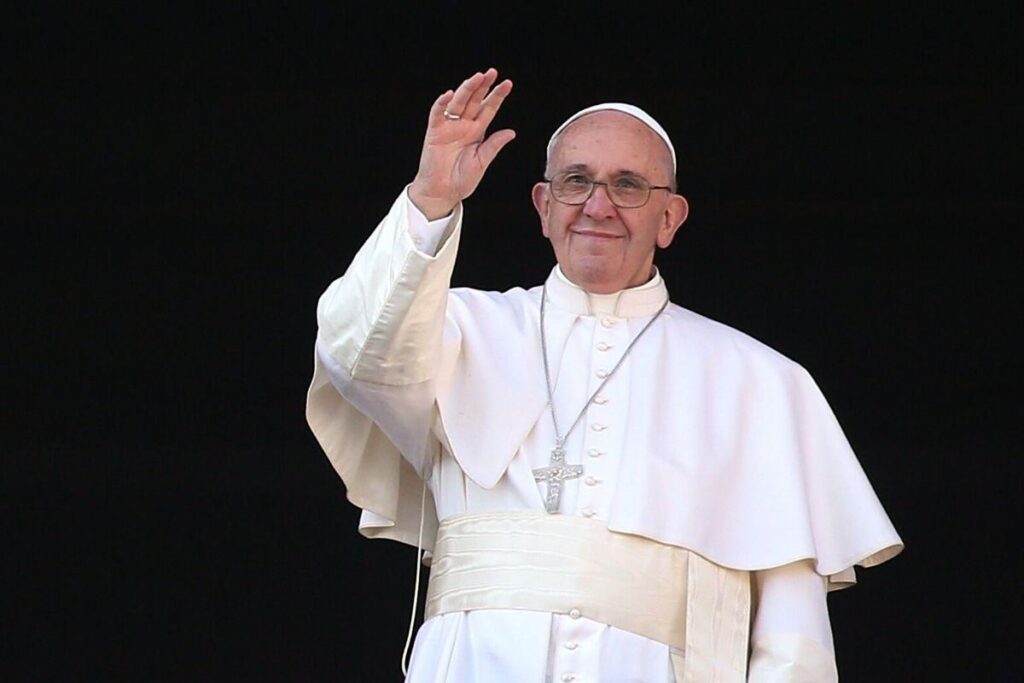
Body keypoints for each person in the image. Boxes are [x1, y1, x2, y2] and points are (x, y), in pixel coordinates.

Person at [306, 68, 902, 682]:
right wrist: (432, 199)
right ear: (543, 206)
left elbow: (792, 639)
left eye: (628, 186)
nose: (597, 205)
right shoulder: (454, 329)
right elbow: (357, 354)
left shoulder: (760, 381)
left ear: (670, 218)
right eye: (576, 181)